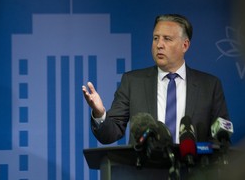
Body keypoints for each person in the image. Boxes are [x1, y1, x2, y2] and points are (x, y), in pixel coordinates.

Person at [82, 14, 230, 145]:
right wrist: (100, 113)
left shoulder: (209, 86)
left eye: (167, 39)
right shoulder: (133, 82)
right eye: (155, 38)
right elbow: (110, 134)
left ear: (185, 45)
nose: (159, 45)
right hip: (145, 171)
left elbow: (220, 138)